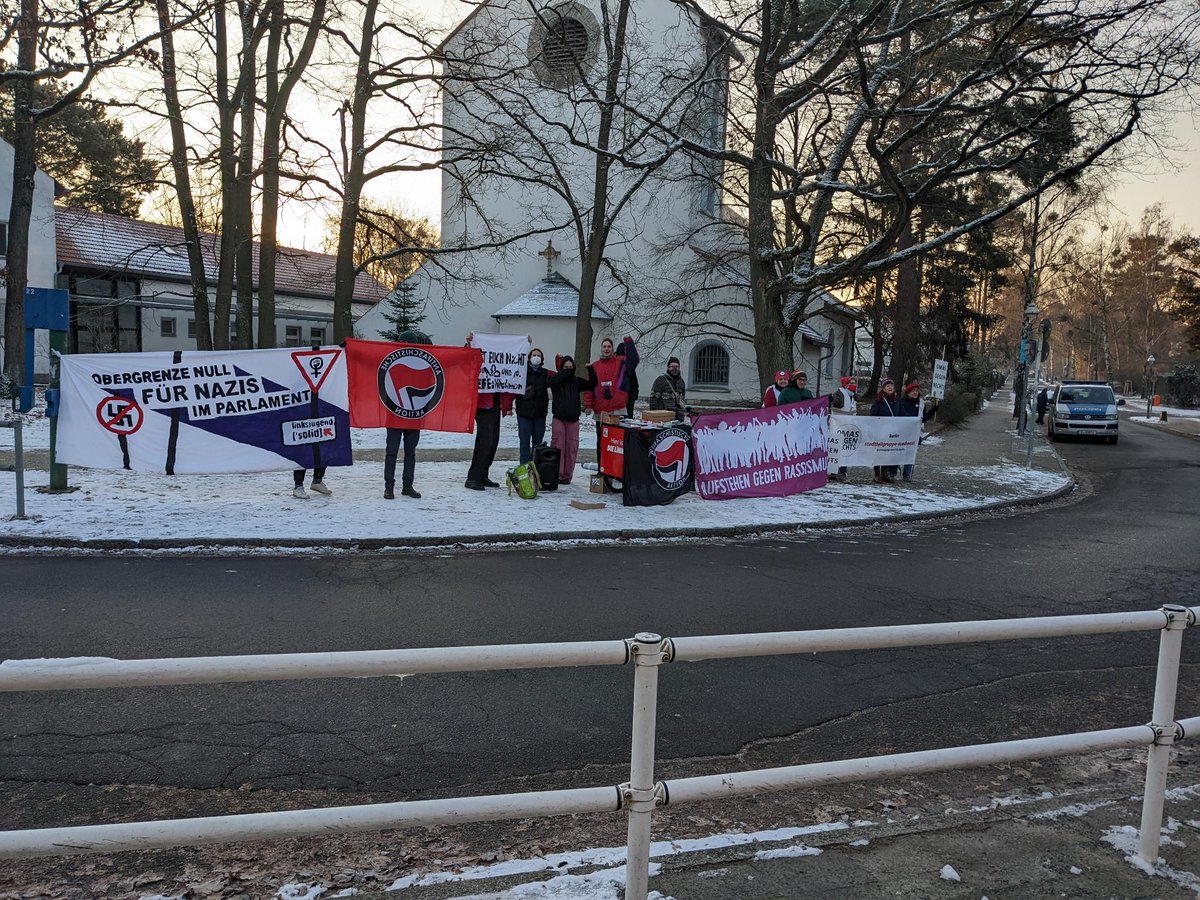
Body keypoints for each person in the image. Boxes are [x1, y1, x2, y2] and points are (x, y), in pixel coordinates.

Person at [382, 328, 431, 499]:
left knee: (409, 453)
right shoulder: (390, 360)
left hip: (413, 415)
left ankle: (407, 486)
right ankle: (389, 487)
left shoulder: (420, 362)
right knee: (392, 452)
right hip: (396, 414)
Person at [465, 331, 515, 490]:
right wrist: (469, 344)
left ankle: (483, 474)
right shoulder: (478, 358)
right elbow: (467, 360)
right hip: (482, 405)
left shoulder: (501, 364)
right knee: (485, 442)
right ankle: (473, 477)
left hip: (495, 405)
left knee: (493, 442)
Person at [586, 336, 638, 456]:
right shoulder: (594, 366)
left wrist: (629, 342)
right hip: (601, 411)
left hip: (617, 410)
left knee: (616, 443)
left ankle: (616, 471)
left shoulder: (621, 363)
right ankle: (601, 469)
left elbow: (634, 360)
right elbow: (589, 388)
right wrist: (588, 404)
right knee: (601, 442)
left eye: (609, 346)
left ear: (613, 348)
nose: (606, 349)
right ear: (601, 348)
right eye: (604, 346)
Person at [549, 354, 591, 485]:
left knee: (572, 447)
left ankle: (567, 476)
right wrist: (563, 372)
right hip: (559, 418)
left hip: (573, 419)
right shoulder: (556, 380)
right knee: (558, 446)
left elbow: (592, 384)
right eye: (565, 367)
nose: (568, 369)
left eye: (570, 367)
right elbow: (551, 381)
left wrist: (591, 370)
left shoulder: (577, 381)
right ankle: (557, 474)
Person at [515, 348, 550, 465]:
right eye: (534, 355)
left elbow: (559, 375)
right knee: (524, 443)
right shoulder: (521, 372)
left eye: (538, 355)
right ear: (529, 358)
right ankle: (524, 468)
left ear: (542, 359)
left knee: (537, 443)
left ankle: (535, 468)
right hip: (524, 414)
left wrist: (559, 359)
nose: (536, 357)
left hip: (539, 414)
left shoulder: (546, 373)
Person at [870, 378, 902, 484]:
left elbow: (901, 413)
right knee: (879, 451)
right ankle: (877, 474)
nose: (890, 388)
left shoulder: (896, 399)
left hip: (892, 429)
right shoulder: (879, 400)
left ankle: (885, 472)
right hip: (880, 429)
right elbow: (873, 413)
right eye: (887, 386)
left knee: (888, 451)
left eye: (891, 386)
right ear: (883, 388)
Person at [829, 376, 858, 483]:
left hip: (849, 427)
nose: (854, 385)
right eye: (852, 383)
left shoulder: (852, 396)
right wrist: (833, 400)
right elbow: (836, 403)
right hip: (838, 426)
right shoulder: (840, 393)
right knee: (836, 449)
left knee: (846, 450)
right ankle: (833, 472)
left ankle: (842, 471)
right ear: (845, 384)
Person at [898, 381, 923, 482]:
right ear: (908, 392)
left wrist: (934, 410)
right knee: (899, 452)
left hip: (915, 432)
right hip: (903, 431)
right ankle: (893, 471)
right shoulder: (902, 402)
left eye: (916, 391)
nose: (915, 393)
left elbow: (923, 418)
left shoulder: (920, 403)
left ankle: (907, 474)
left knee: (911, 453)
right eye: (913, 391)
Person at [616, 342, 640, 419]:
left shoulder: (629, 367)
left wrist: (633, 397)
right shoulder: (615, 365)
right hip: (616, 399)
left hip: (628, 399)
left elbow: (634, 383)